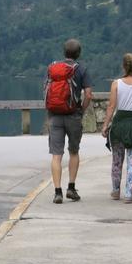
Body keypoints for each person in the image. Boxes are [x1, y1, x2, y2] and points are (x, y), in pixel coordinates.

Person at [47, 38, 93, 204]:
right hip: (73, 115)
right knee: (73, 152)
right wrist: (81, 110)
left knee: (56, 155)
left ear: (64, 52)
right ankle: (71, 188)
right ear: (78, 53)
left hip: (55, 115)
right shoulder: (81, 69)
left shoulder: (53, 68)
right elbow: (88, 95)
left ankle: (57, 192)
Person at [101, 53, 132, 203]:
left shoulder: (116, 84)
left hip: (119, 124)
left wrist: (105, 125)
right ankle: (128, 193)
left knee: (117, 160)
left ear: (123, 66)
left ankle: (116, 191)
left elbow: (111, 106)